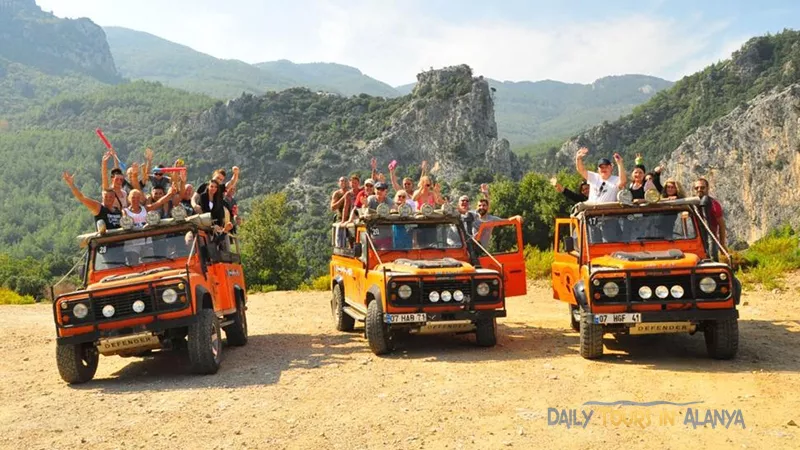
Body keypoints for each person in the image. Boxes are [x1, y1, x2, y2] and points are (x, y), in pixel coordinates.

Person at [693, 178, 727, 260]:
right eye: (696, 188)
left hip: (711, 238)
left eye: (702, 187)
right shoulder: (690, 204)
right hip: (695, 240)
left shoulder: (714, 204)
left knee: (712, 260)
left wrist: (722, 244)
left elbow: (721, 225)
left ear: (707, 188)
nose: (699, 190)